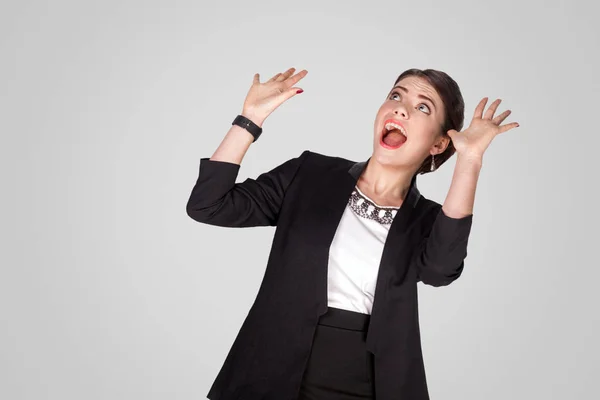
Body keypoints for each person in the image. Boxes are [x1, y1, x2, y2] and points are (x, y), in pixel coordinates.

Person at [186, 67, 519, 400]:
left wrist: (470, 160)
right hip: (268, 368)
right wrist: (249, 119)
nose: (400, 108)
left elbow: (440, 270)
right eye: (396, 95)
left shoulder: (428, 221)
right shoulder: (310, 174)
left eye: (423, 107)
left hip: (364, 380)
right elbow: (208, 205)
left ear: (439, 143)